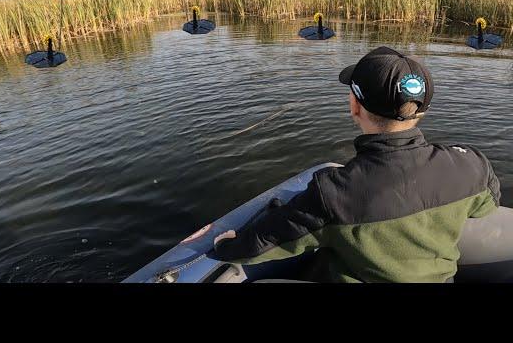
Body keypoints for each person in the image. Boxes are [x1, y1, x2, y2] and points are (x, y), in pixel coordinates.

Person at [213, 46, 501, 283]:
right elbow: (488, 204)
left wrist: (227, 245)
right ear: (424, 109)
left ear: (354, 106)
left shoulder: (332, 192)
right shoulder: (471, 164)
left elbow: (264, 243)